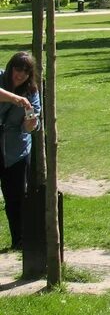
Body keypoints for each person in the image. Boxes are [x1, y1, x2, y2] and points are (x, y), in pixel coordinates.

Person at [1, 51, 41, 251]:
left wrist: (31, 122)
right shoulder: (1, 78)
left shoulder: (32, 92)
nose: (21, 74)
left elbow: (31, 125)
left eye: (26, 71)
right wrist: (15, 99)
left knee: (15, 197)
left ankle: (19, 240)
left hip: (15, 150)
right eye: (18, 69)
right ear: (10, 68)